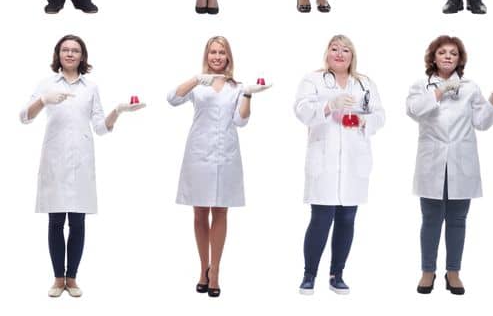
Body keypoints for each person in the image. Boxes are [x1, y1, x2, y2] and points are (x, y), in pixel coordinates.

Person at [19, 35, 143, 297]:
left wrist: (118, 110)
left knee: (77, 221)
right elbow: (23, 117)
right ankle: (57, 279)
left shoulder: (91, 87)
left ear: (82, 55)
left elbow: (100, 127)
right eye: (65, 49)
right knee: (55, 220)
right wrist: (43, 100)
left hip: (82, 161)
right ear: (58, 54)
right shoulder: (46, 84)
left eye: (75, 50)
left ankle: (72, 279)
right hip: (54, 159)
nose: (70, 54)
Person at [405, 34, 493, 295]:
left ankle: (453, 272)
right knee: (431, 219)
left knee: (457, 220)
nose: (448, 56)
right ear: (433, 57)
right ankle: (427, 272)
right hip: (432, 161)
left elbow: (482, 122)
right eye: (442, 52)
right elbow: (413, 110)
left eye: (453, 53)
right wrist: (440, 91)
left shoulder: (470, 86)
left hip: (461, 160)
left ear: (460, 59)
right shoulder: (421, 85)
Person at [168, 36, 270, 298]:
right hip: (198, 155)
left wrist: (248, 94)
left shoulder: (236, 86)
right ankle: (203, 268)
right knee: (200, 213)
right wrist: (196, 78)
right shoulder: (198, 85)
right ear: (207, 55)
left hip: (226, 156)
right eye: (212, 52)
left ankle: (216, 272)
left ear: (228, 57)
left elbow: (241, 121)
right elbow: (172, 98)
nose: (216, 56)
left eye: (221, 52)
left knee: (221, 212)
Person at [292, 35, 386, 295]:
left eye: (346, 50)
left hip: (355, 159)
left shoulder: (364, 83)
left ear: (352, 55)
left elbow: (380, 114)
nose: (340, 53)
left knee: (347, 218)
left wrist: (365, 121)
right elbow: (301, 109)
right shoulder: (313, 80)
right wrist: (328, 105)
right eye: (335, 49)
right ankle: (309, 275)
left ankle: (337, 274)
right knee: (321, 218)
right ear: (327, 53)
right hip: (324, 158)